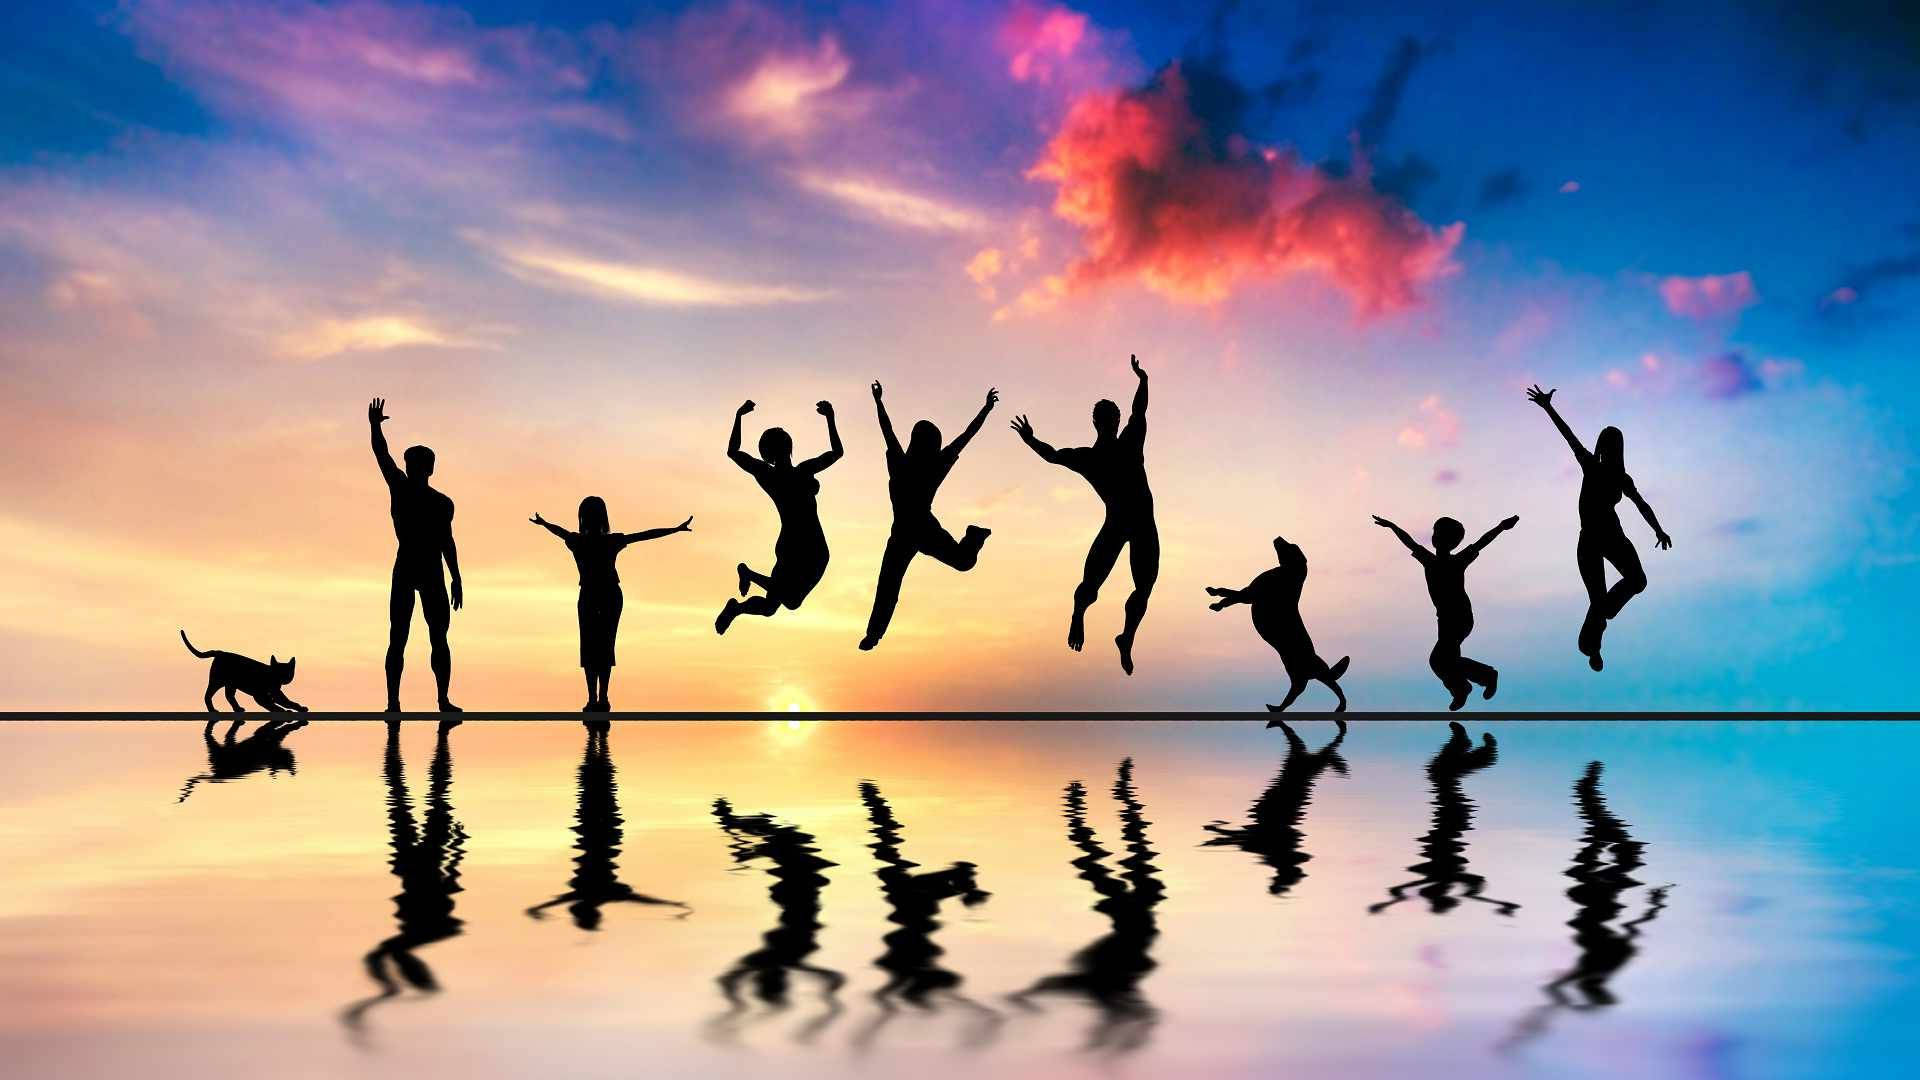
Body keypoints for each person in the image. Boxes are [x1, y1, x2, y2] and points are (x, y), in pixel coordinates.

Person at [1011, 354, 1159, 675]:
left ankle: (1123, 637)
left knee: (1133, 587)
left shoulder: (1102, 452)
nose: (1111, 422)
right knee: (1105, 585)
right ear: (1106, 422)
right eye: (1109, 418)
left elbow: (1052, 455)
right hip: (1126, 524)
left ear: (1100, 422)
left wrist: (1030, 439)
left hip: (1134, 525)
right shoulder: (1107, 451)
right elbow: (1139, 410)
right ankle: (1084, 617)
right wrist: (1142, 379)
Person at [1526, 385, 1672, 671]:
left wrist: (1658, 529)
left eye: (1613, 446)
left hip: (1614, 537)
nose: (1608, 450)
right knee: (1597, 602)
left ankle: (1605, 609)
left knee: (1637, 582)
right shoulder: (1590, 465)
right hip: (1590, 541)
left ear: (1617, 450)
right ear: (1601, 448)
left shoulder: (1622, 478)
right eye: (1606, 446)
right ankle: (1593, 648)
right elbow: (1569, 436)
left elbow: (1642, 504)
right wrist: (1548, 408)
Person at [860, 382, 997, 650]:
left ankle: (974, 536)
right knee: (887, 586)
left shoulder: (921, 465)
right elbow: (887, 430)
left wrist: (986, 410)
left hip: (922, 529)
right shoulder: (908, 463)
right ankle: (874, 634)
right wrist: (878, 402)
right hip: (903, 535)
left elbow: (965, 437)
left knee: (962, 562)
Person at [531, 498, 692, 712]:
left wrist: (545, 524)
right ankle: (600, 698)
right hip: (605, 595)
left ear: (582, 517)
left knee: (594, 645)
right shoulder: (602, 541)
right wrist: (674, 529)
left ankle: (596, 699)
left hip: (597, 595)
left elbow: (559, 531)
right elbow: (644, 535)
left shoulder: (579, 541)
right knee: (601, 645)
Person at [717, 398, 843, 635]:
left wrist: (739, 416)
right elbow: (837, 452)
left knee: (770, 607)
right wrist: (830, 417)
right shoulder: (804, 471)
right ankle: (749, 575)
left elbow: (733, 452)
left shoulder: (768, 476)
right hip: (813, 546)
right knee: (791, 601)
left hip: (789, 545)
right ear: (789, 447)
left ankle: (737, 608)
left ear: (766, 453)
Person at [368, 398, 462, 713]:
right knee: (399, 636)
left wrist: (457, 578)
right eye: (410, 464)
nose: (412, 469)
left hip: (431, 570)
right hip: (407, 567)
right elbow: (382, 455)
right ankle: (393, 701)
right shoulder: (400, 487)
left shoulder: (442, 503)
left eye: (417, 465)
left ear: (428, 469)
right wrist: (374, 427)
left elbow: (447, 541)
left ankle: (442, 699)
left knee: (438, 637)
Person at [1375, 512, 1518, 711]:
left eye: (1439, 534)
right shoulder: (1429, 560)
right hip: (1445, 619)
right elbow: (1409, 541)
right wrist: (1392, 526)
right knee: (1442, 661)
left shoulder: (1457, 561)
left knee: (1442, 660)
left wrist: (1501, 527)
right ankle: (1469, 684)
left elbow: (1481, 542)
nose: (1435, 538)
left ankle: (1474, 681)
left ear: (1450, 542)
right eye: (1435, 533)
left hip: (1460, 618)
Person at [1206, 534, 1351, 712]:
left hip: (1289, 635)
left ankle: (1337, 699)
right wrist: (1221, 598)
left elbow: (1245, 595)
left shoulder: (1289, 579)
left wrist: (1221, 597)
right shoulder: (1275, 577)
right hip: (1282, 636)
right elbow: (1246, 595)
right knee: (1302, 678)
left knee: (1309, 671)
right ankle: (1285, 707)